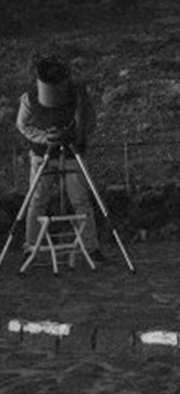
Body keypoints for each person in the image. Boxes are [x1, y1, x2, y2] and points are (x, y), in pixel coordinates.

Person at [15, 55, 104, 259]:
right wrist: (45, 137)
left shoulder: (78, 95)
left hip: (72, 152)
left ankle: (91, 247)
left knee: (80, 199)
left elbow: (90, 122)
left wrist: (76, 135)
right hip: (41, 154)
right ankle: (31, 246)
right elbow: (23, 125)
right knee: (37, 200)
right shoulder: (29, 97)